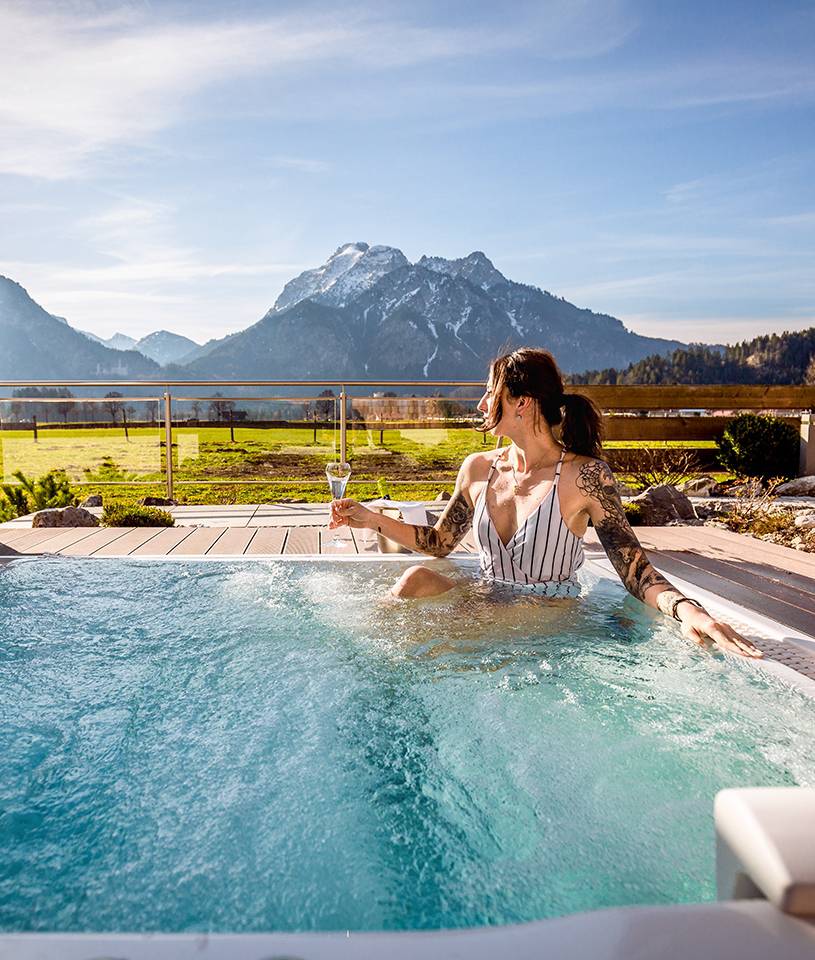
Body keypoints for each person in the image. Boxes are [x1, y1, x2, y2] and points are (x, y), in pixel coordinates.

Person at [330, 347, 763, 658]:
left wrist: (690, 612)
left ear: (522, 403)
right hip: (487, 595)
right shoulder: (478, 468)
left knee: (438, 644)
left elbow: (636, 571)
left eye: (490, 392)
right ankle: (359, 661)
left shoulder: (584, 477)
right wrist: (371, 519)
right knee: (414, 579)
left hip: (547, 609)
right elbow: (441, 542)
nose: (481, 403)